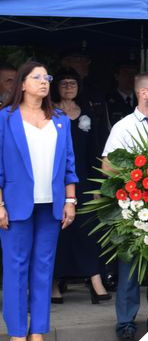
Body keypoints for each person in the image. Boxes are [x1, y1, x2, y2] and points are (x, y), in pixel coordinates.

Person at [0, 62, 78, 341]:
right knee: (16, 269)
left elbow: (69, 164)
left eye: (47, 77)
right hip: (16, 204)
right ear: (22, 84)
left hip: (52, 203)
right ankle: (17, 336)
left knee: (44, 269)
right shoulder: (5, 119)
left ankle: (38, 333)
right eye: (37, 77)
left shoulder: (59, 119)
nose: (44, 82)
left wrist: (70, 200)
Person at [102, 72, 148, 341]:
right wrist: (133, 185)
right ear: (144, 93)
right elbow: (108, 166)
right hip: (133, 209)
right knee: (130, 271)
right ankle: (126, 328)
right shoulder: (123, 127)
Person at [51, 69, 110, 304]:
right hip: (54, 181)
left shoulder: (87, 113)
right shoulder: (48, 113)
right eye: (64, 83)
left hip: (83, 179)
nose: (68, 87)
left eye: (72, 83)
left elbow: (96, 151)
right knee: (58, 232)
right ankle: (55, 283)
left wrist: (98, 185)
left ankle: (95, 279)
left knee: (87, 230)